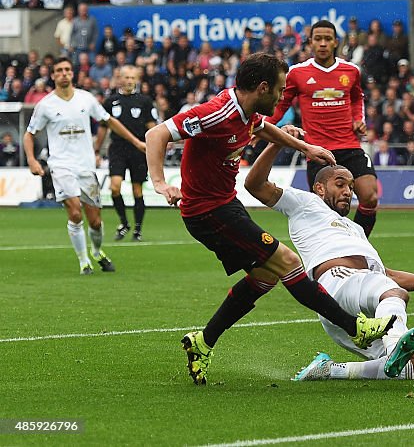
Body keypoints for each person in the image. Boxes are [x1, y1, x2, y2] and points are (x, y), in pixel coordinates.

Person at [145, 52, 396, 385]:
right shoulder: (215, 113)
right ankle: (357, 328)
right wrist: (160, 183)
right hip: (206, 211)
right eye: (278, 90)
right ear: (262, 88)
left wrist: (304, 148)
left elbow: (263, 128)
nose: (281, 97)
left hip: (225, 204)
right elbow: (156, 135)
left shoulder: (247, 112)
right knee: (288, 261)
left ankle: (202, 342)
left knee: (265, 276)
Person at [245, 144, 414, 380]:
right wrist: (277, 143)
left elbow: (386, 275)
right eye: (340, 184)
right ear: (319, 188)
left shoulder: (355, 229)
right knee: (393, 293)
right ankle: (395, 341)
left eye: (350, 186)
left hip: (349, 304)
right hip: (334, 282)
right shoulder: (306, 203)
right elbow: (254, 185)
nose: (348, 191)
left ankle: (332, 371)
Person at [23, 58, 145, 274]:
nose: (64, 73)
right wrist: (32, 160)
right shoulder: (46, 105)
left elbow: (108, 121)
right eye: (59, 70)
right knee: (75, 213)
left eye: (67, 70)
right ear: (53, 76)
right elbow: (29, 134)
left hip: (86, 166)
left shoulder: (86, 99)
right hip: (61, 166)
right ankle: (83, 262)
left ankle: (96, 252)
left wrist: (136, 141)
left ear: (73, 74)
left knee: (95, 221)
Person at [270, 20, 381, 236]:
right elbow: (281, 104)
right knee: (327, 210)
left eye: (327, 39)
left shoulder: (351, 70)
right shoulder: (297, 73)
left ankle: (359, 243)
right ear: (310, 42)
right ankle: (331, 251)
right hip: (318, 152)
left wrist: (358, 119)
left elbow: (357, 97)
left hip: (350, 145)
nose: (322, 43)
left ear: (335, 42)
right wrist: (262, 127)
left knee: (370, 197)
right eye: (318, 39)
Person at [96, 65, 156, 241]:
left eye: (132, 78)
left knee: (137, 190)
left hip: (138, 150)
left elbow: (152, 127)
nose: (129, 81)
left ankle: (137, 229)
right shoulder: (110, 101)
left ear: (136, 80)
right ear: (119, 79)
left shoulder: (144, 101)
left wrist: (153, 147)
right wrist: (96, 150)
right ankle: (124, 222)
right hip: (117, 148)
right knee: (114, 187)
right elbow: (102, 128)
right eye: (126, 77)